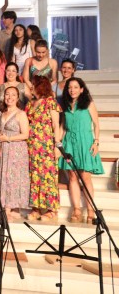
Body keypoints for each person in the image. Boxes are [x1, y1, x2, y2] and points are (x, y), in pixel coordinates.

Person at [59, 78, 103, 224]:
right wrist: (59, 144)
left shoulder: (88, 103)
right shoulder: (65, 105)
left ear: (82, 89)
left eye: (75, 87)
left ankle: (90, 210)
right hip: (69, 143)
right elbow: (63, 127)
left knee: (85, 177)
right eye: (70, 87)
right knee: (72, 176)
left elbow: (96, 124)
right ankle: (76, 209)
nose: (72, 90)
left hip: (85, 142)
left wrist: (96, 142)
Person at [26, 75, 62, 221]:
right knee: (34, 177)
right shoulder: (30, 104)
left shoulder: (50, 102)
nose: (31, 87)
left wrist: (57, 145)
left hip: (46, 145)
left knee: (48, 177)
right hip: (32, 146)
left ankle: (51, 209)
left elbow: (56, 125)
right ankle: (36, 207)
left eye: (33, 84)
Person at [0, 86, 30, 220]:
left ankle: (8, 208)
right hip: (3, 149)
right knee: (4, 177)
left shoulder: (21, 114)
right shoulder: (1, 113)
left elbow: (25, 134)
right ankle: (8, 208)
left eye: (13, 95)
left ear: (18, 97)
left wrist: (8, 138)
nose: (10, 97)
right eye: (7, 94)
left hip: (16, 150)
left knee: (13, 178)